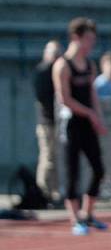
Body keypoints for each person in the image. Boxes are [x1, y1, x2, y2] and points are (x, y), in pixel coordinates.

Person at [52, 18, 108, 235]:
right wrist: (90, 114)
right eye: (88, 39)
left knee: (98, 169)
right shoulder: (62, 65)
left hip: (87, 122)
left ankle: (88, 213)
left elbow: (92, 93)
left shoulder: (90, 64)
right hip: (70, 123)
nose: (91, 43)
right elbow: (64, 98)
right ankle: (75, 219)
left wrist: (98, 118)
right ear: (76, 37)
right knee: (72, 172)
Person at [33, 39, 64, 204]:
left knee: (56, 158)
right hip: (46, 122)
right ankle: (42, 190)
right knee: (48, 158)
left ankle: (55, 192)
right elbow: (43, 97)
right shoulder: (43, 71)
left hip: (57, 121)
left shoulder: (58, 70)